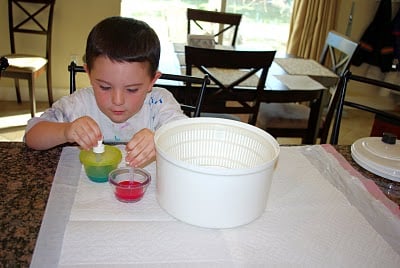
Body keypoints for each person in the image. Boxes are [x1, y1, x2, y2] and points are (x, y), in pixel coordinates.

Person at [24, 16, 187, 167]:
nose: (117, 100)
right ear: (89, 73)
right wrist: (66, 130)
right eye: (105, 87)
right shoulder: (79, 104)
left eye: (132, 89)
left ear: (152, 80)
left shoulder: (159, 104)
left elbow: (190, 140)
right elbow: (32, 136)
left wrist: (161, 139)